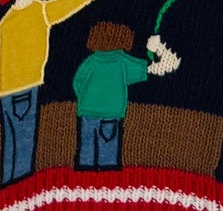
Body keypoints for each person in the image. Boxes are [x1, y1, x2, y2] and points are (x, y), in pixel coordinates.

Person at [0, 0, 122, 184]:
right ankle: (18, 191)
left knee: (11, 147)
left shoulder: (5, 21)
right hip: (26, 90)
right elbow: (73, 0)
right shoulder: (38, 12)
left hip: (5, 94)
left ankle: (8, 188)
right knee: (22, 150)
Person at [71, 21, 181, 169]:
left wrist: (85, 98)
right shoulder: (123, 62)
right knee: (108, 151)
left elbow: (78, 83)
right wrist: (158, 49)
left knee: (86, 146)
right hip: (112, 113)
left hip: (87, 111)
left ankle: (84, 171)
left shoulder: (90, 62)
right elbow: (154, 68)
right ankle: (108, 175)